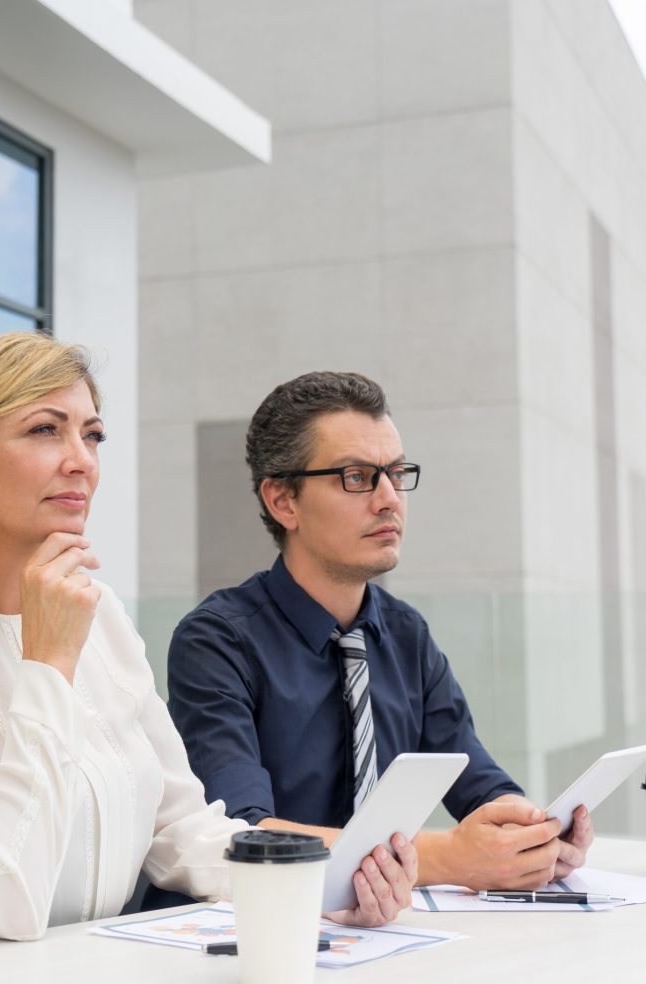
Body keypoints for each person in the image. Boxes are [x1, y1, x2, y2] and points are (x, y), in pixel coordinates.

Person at [0, 336, 416, 958]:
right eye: (44, 430)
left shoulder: (102, 615)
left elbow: (181, 829)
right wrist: (48, 665)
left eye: (92, 436)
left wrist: (324, 883)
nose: (81, 461)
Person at [167, 371, 594, 890]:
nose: (389, 498)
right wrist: (445, 858)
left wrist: (531, 833)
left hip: (378, 940)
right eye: (356, 477)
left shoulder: (406, 635)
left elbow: (478, 783)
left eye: (396, 472)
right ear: (283, 501)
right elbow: (240, 836)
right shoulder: (217, 641)